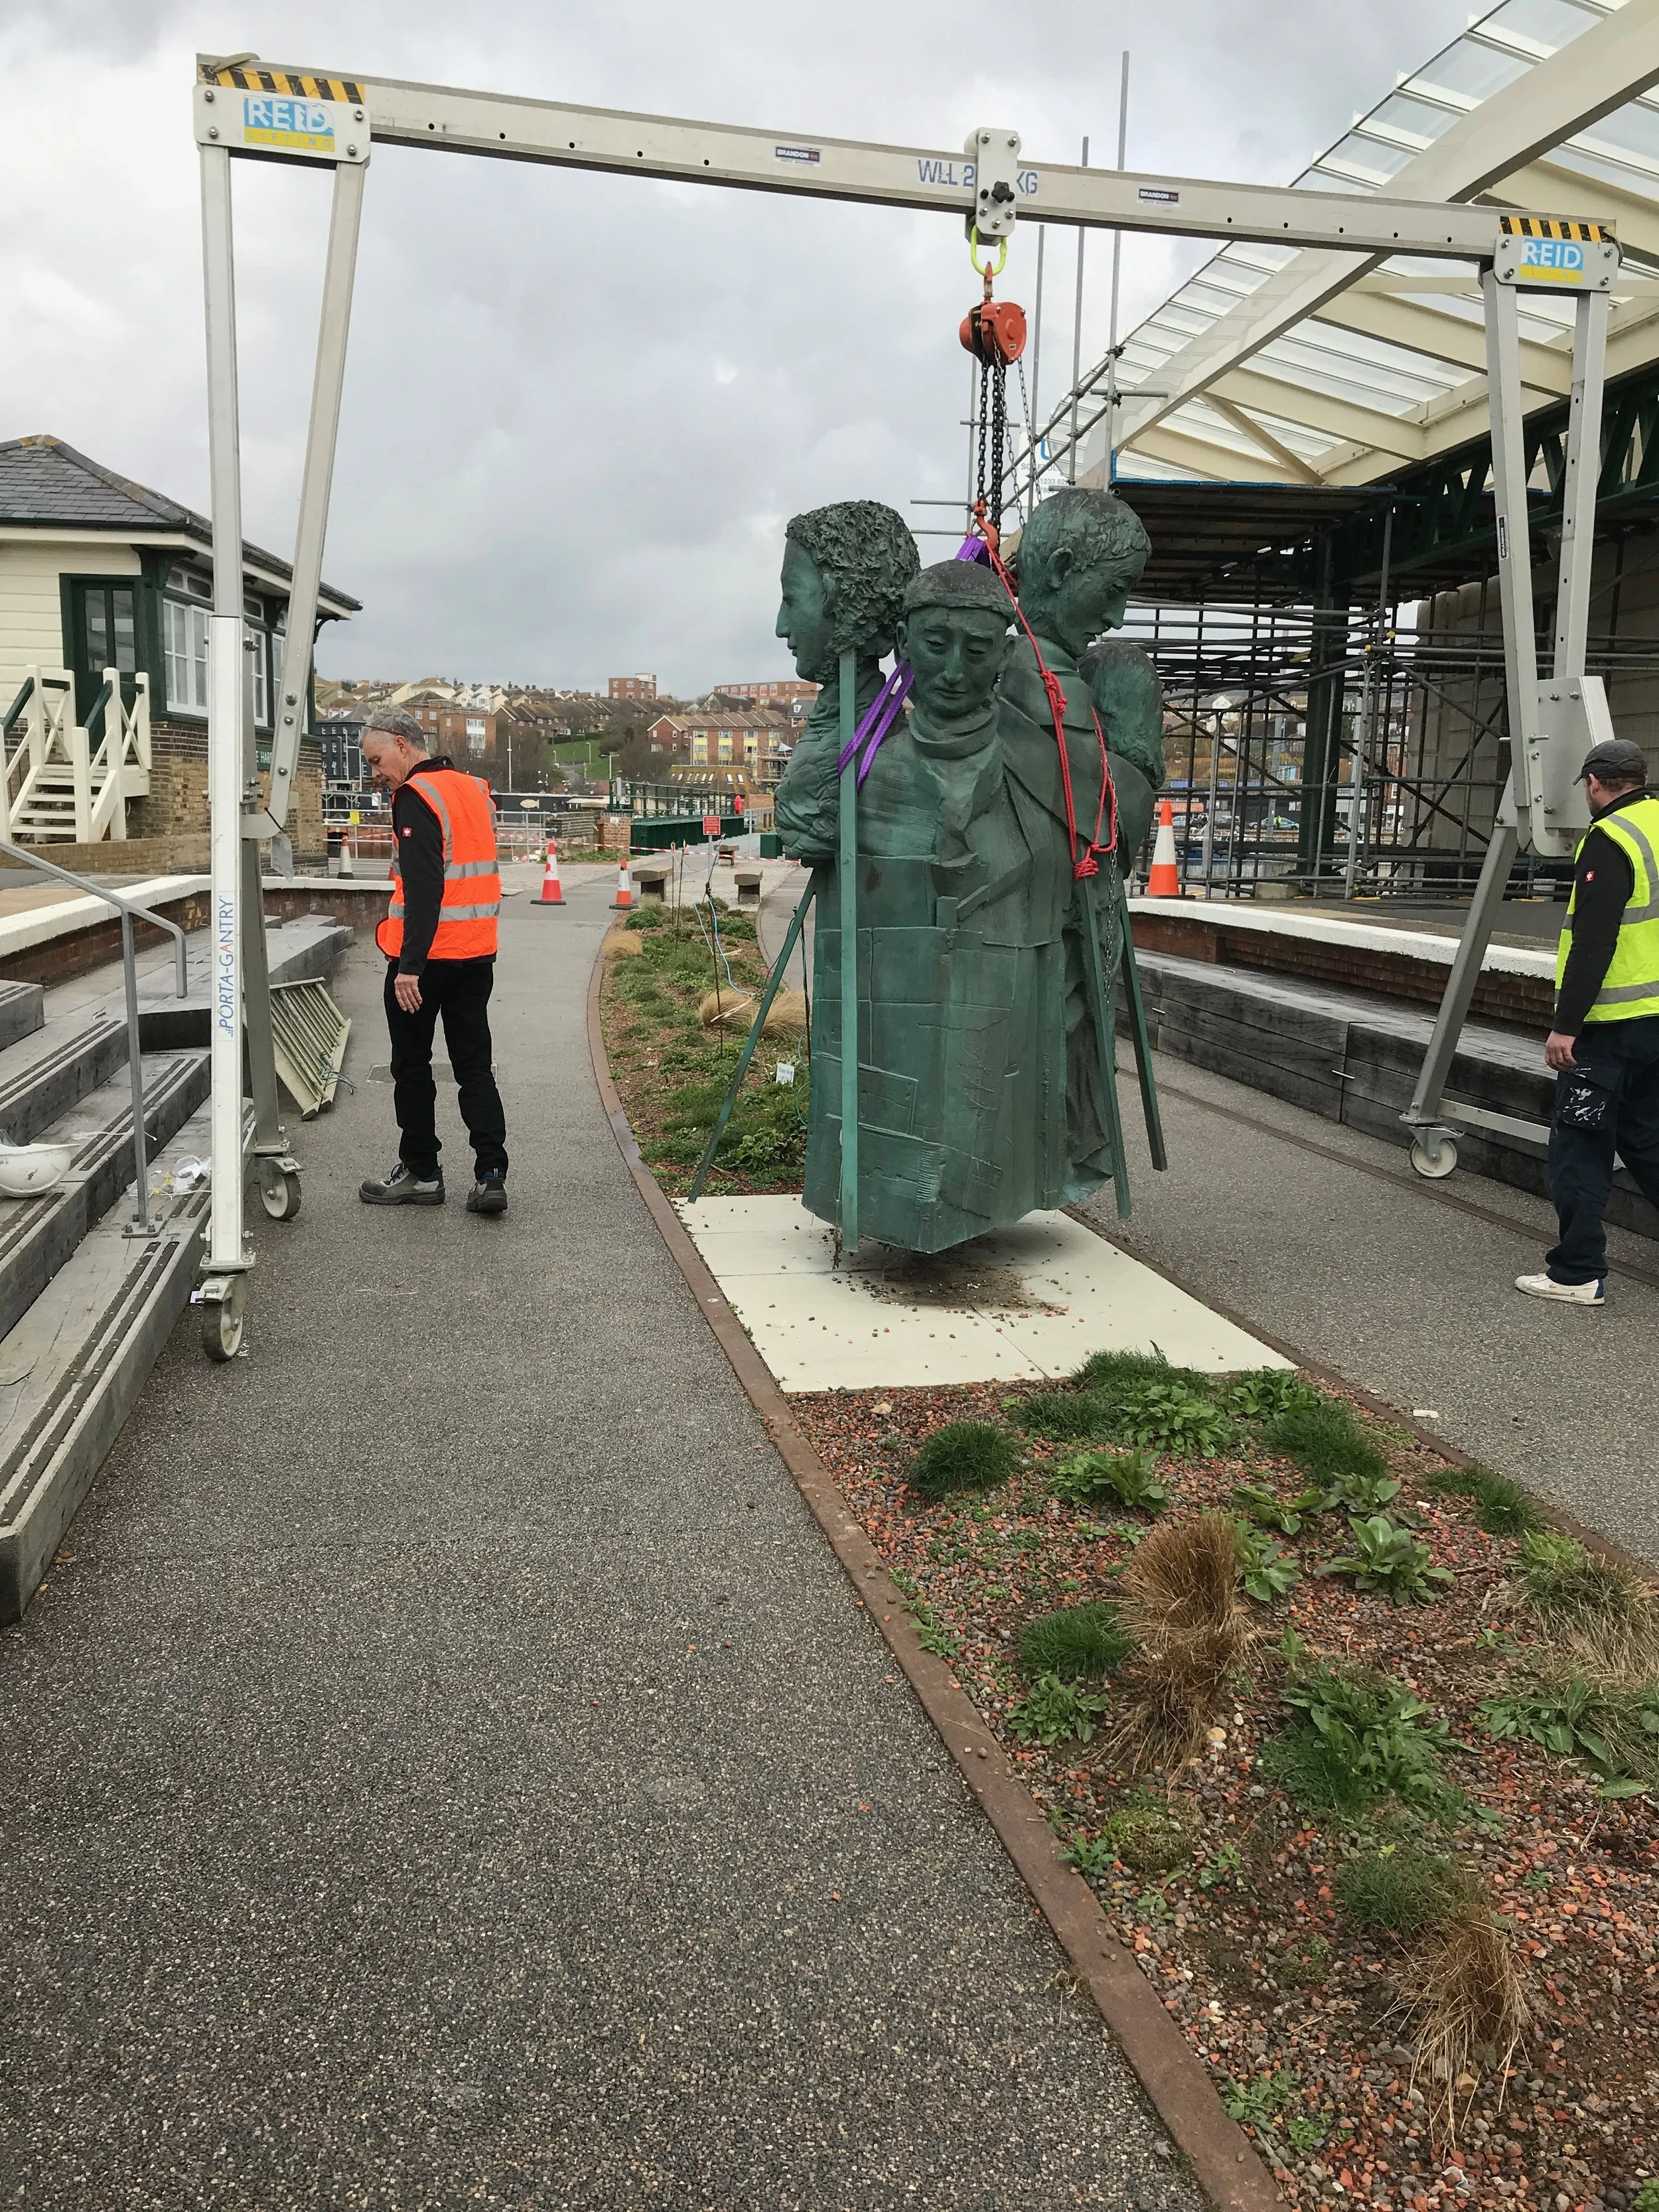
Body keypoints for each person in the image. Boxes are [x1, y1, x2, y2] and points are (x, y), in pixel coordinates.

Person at [1517, 736, 1659, 1304]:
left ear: (1595, 784)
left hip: (1607, 1026)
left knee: (1579, 1143)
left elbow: (1595, 941)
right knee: (1647, 1137)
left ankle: (1576, 1273)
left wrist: (1565, 1026)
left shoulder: (1609, 838)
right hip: (1655, 1020)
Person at [358, 706, 510, 1215]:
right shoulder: (474, 789)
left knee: (412, 1067)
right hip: (476, 954)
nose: (375, 774)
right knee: (474, 1068)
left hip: (424, 962)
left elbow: (425, 888)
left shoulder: (415, 797)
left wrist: (408, 966)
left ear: (403, 744)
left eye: (377, 761)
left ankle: (423, 1173)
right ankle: (491, 1175)